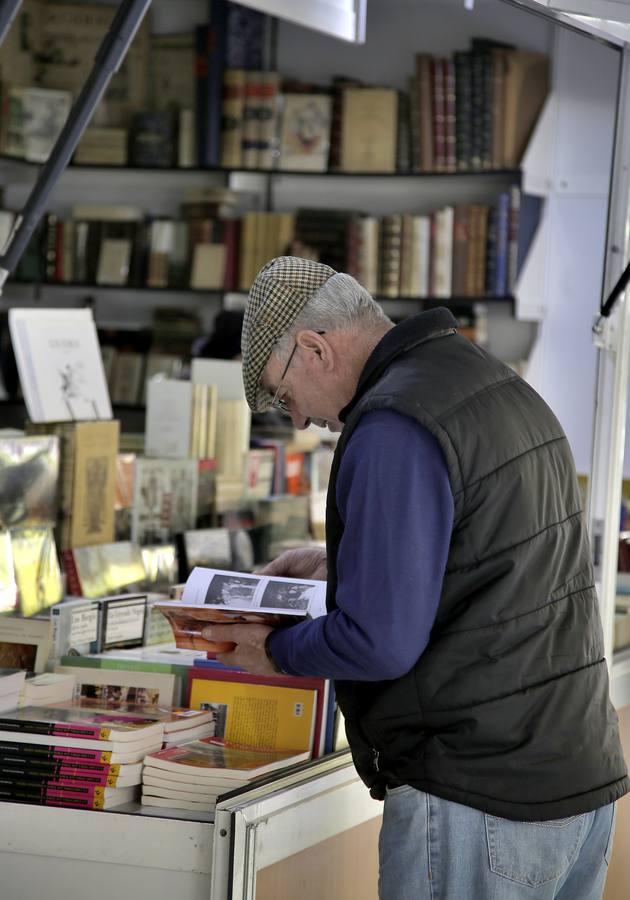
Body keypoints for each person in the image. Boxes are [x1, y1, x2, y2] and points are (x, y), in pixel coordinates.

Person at [200, 256, 629, 900]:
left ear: (314, 348)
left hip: (477, 795)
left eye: (283, 395)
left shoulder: (393, 423)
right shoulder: (490, 382)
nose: (297, 420)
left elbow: (379, 642)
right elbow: (490, 561)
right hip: (574, 778)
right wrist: (342, 566)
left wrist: (275, 649)